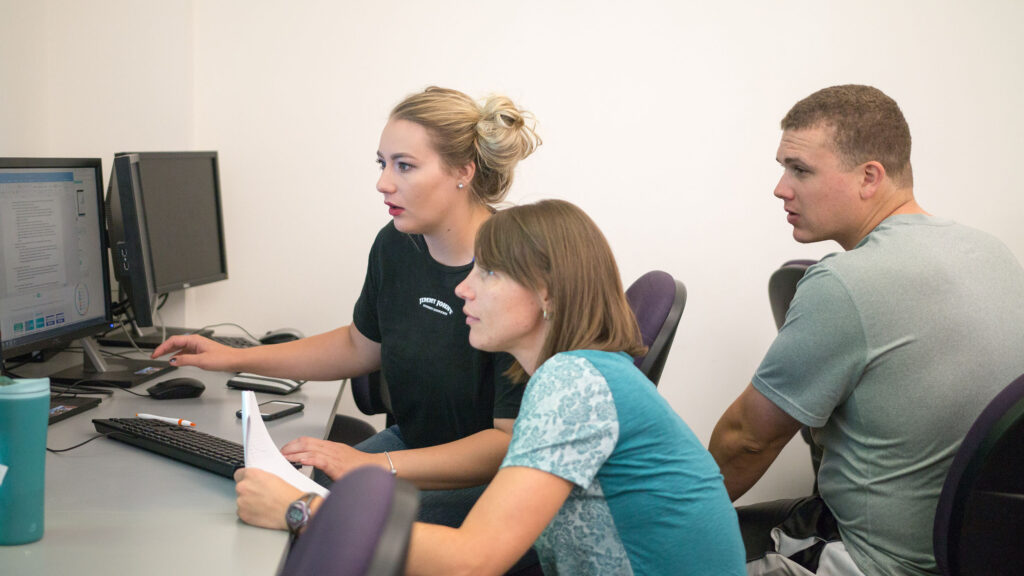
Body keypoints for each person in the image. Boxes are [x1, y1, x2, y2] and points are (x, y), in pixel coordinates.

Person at [241, 199, 746, 574]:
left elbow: (473, 559)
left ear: (546, 290)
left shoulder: (574, 383)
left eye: (489, 272)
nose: (464, 287)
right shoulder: (576, 373)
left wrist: (301, 510)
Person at [152, 86, 541, 529]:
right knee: (281, 490)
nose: (383, 182)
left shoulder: (512, 270)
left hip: (487, 482)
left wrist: (375, 465)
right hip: (410, 448)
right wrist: (233, 359)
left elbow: (505, 443)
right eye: (382, 163)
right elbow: (361, 345)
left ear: (463, 172)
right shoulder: (396, 244)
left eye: (405, 166)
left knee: (324, 526)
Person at [708, 84, 1024, 575]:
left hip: (871, 564)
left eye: (800, 169)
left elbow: (747, 439)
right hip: (979, 555)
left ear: (869, 177)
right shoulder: (993, 252)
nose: (780, 187)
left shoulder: (843, 282)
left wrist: (665, 522)